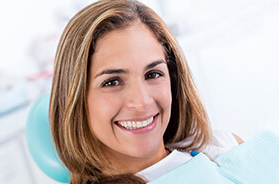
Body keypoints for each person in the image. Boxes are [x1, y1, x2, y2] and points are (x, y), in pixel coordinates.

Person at [49, 0, 243, 183]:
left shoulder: (222, 144)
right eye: (112, 82)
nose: (142, 102)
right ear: (73, 99)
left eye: (153, 74)